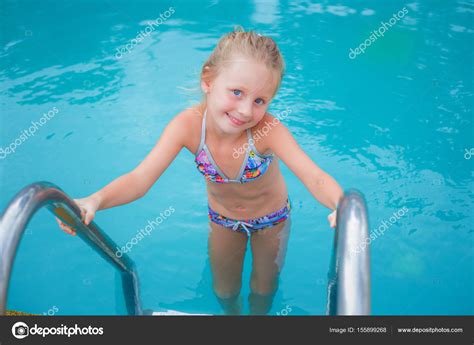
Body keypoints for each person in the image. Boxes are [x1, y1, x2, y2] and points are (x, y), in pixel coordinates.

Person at [57, 28, 344, 315]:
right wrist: (94, 200)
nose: (245, 110)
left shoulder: (268, 130)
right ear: (208, 80)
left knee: (263, 288)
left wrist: (340, 204)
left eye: (259, 100)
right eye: (236, 92)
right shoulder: (189, 126)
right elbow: (139, 179)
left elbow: (314, 176)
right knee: (224, 290)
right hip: (223, 219)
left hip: (272, 221)